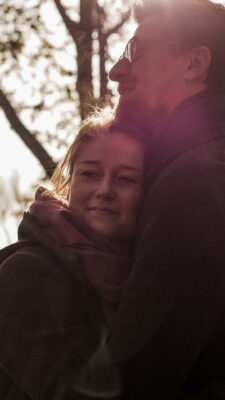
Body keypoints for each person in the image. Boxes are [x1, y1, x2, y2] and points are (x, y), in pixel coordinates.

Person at [108, 0, 225, 399]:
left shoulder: (194, 184)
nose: (116, 71)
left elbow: (132, 380)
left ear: (195, 64)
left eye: (136, 51)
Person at [0, 108, 145, 399]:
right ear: (69, 186)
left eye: (125, 179)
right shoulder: (27, 272)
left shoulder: (145, 273)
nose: (104, 190)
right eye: (90, 174)